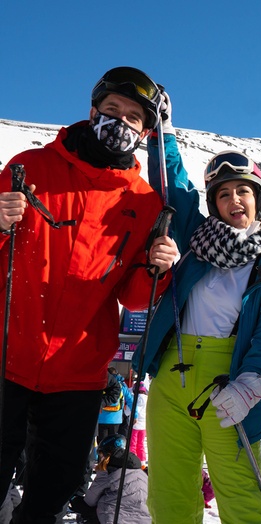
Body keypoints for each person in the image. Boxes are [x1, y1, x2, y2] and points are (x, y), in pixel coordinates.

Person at [0, 66, 179, 524]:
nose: (120, 122)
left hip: (77, 371)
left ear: (145, 131)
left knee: (56, 486)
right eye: (112, 110)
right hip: (7, 354)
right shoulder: (30, 166)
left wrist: (157, 268)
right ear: (93, 111)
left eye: (134, 117)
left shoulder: (143, 201)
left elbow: (135, 298)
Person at [133, 92, 261, 523]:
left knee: (240, 495)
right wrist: (163, 131)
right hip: (172, 381)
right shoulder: (196, 239)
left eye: (244, 191)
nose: (234, 200)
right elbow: (172, 183)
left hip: (231, 385)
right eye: (224, 193)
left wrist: (252, 382)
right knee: (170, 497)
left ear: (259, 200)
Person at [71, 434, 150, 524]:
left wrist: (74, 500)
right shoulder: (139, 471)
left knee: (81, 505)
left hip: (115, 519)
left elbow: (89, 501)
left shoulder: (108, 472)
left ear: (104, 454)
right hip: (145, 519)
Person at [98, 368, 133, 442]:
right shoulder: (121, 385)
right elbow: (130, 400)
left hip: (101, 418)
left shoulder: (103, 383)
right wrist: (135, 415)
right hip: (116, 419)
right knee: (112, 442)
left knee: (101, 442)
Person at [129, 383, 148, 463]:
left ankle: (132, 460)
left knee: (133, 443)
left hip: (135, 424)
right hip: (144, 424)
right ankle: (142, 460)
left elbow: (135, 410)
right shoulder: (147, 398)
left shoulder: (136, 398)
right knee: (141, 444)